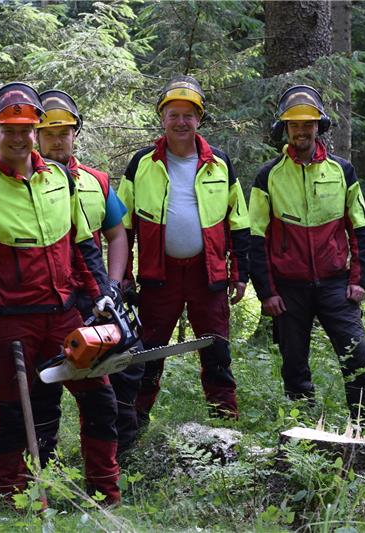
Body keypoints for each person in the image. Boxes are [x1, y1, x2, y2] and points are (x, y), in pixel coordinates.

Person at [0, 82, 121, 505]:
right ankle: (11, 498)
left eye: (25, 129)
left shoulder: (60, 179)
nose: (18, 138)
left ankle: (105, 492)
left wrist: (101, 293)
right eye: (9, 130)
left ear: (35, 131)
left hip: (66, 315)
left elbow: (83, 242)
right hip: (13, 323)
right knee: (16, 413)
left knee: (100, 399)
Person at [113, 75, 250, 451]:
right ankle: (133, 429)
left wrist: (239, 274)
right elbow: (122, 225)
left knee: (217, 351)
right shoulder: (141, 163)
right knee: (147, 353)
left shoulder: (220, 162)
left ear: (199, 119)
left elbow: (239, 222)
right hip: (159, 275)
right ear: (162, 118)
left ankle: (226, 428)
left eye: (188, 115)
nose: (181, 122)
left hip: (208, 274)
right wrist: (123, 276)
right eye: (173, 114)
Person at [248, 85, 365, 421]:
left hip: (336, 283)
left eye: (308, 123)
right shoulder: (268, 176)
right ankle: (301, 428)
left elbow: (361, 228)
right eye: (294, 124)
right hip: (289, 288)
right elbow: (255, 238)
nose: (302, 131)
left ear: (319, 125)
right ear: (285, 128)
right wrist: (266, 291)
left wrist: (359, 279)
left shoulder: (342, 171)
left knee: (357, 354)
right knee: (293, 362)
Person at [34, 89, 131, 462]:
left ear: (75, 134)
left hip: (93, 295)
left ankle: (117, 455)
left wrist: (114, 283)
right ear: (37, 136)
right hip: (49, 297)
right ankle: (44, 461)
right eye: (50, 134)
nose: (58, 141)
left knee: (109, 379)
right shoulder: (23, 184)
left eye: (64, 133)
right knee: (46, 383)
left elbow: (117, 234)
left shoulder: (97, 181)